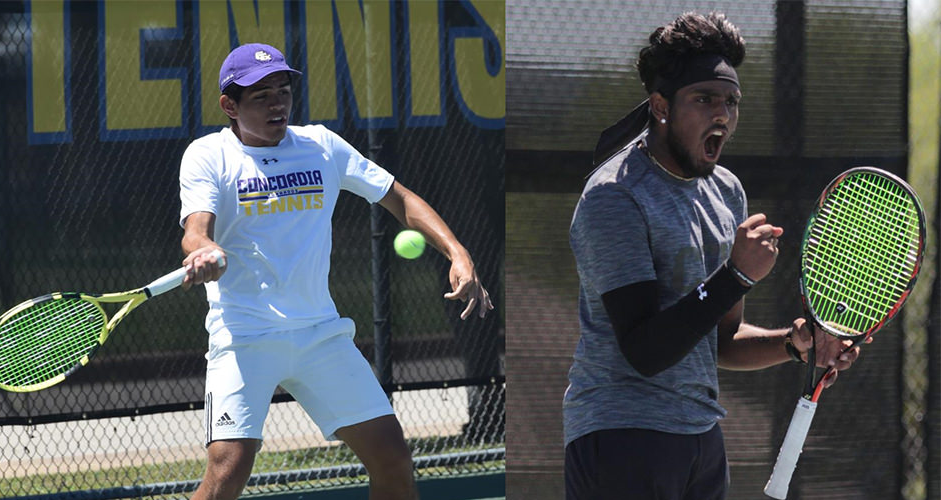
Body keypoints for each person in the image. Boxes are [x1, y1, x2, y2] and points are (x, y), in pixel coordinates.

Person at [564, 12, 861, 499]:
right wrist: (737, 276)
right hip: (622, 437)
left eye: (731, 102)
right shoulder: (613, 198)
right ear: (661, 106)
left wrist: (795, 342)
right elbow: (644, 351)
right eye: (704, 99)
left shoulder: (726, 193)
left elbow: (719, 340)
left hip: (700, 441)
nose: (721, 114)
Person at [177, 43, 493, 500]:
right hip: (244, 336)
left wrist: (457, 253)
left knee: (393, 460)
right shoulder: (207, 156)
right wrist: (203, 250)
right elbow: (195, 230)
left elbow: (400, 199)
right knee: (228, 471)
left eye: (282, 90)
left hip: (320, 335)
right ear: (230, 105)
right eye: (261, 95)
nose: (277, 103)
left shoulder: (321, 146)